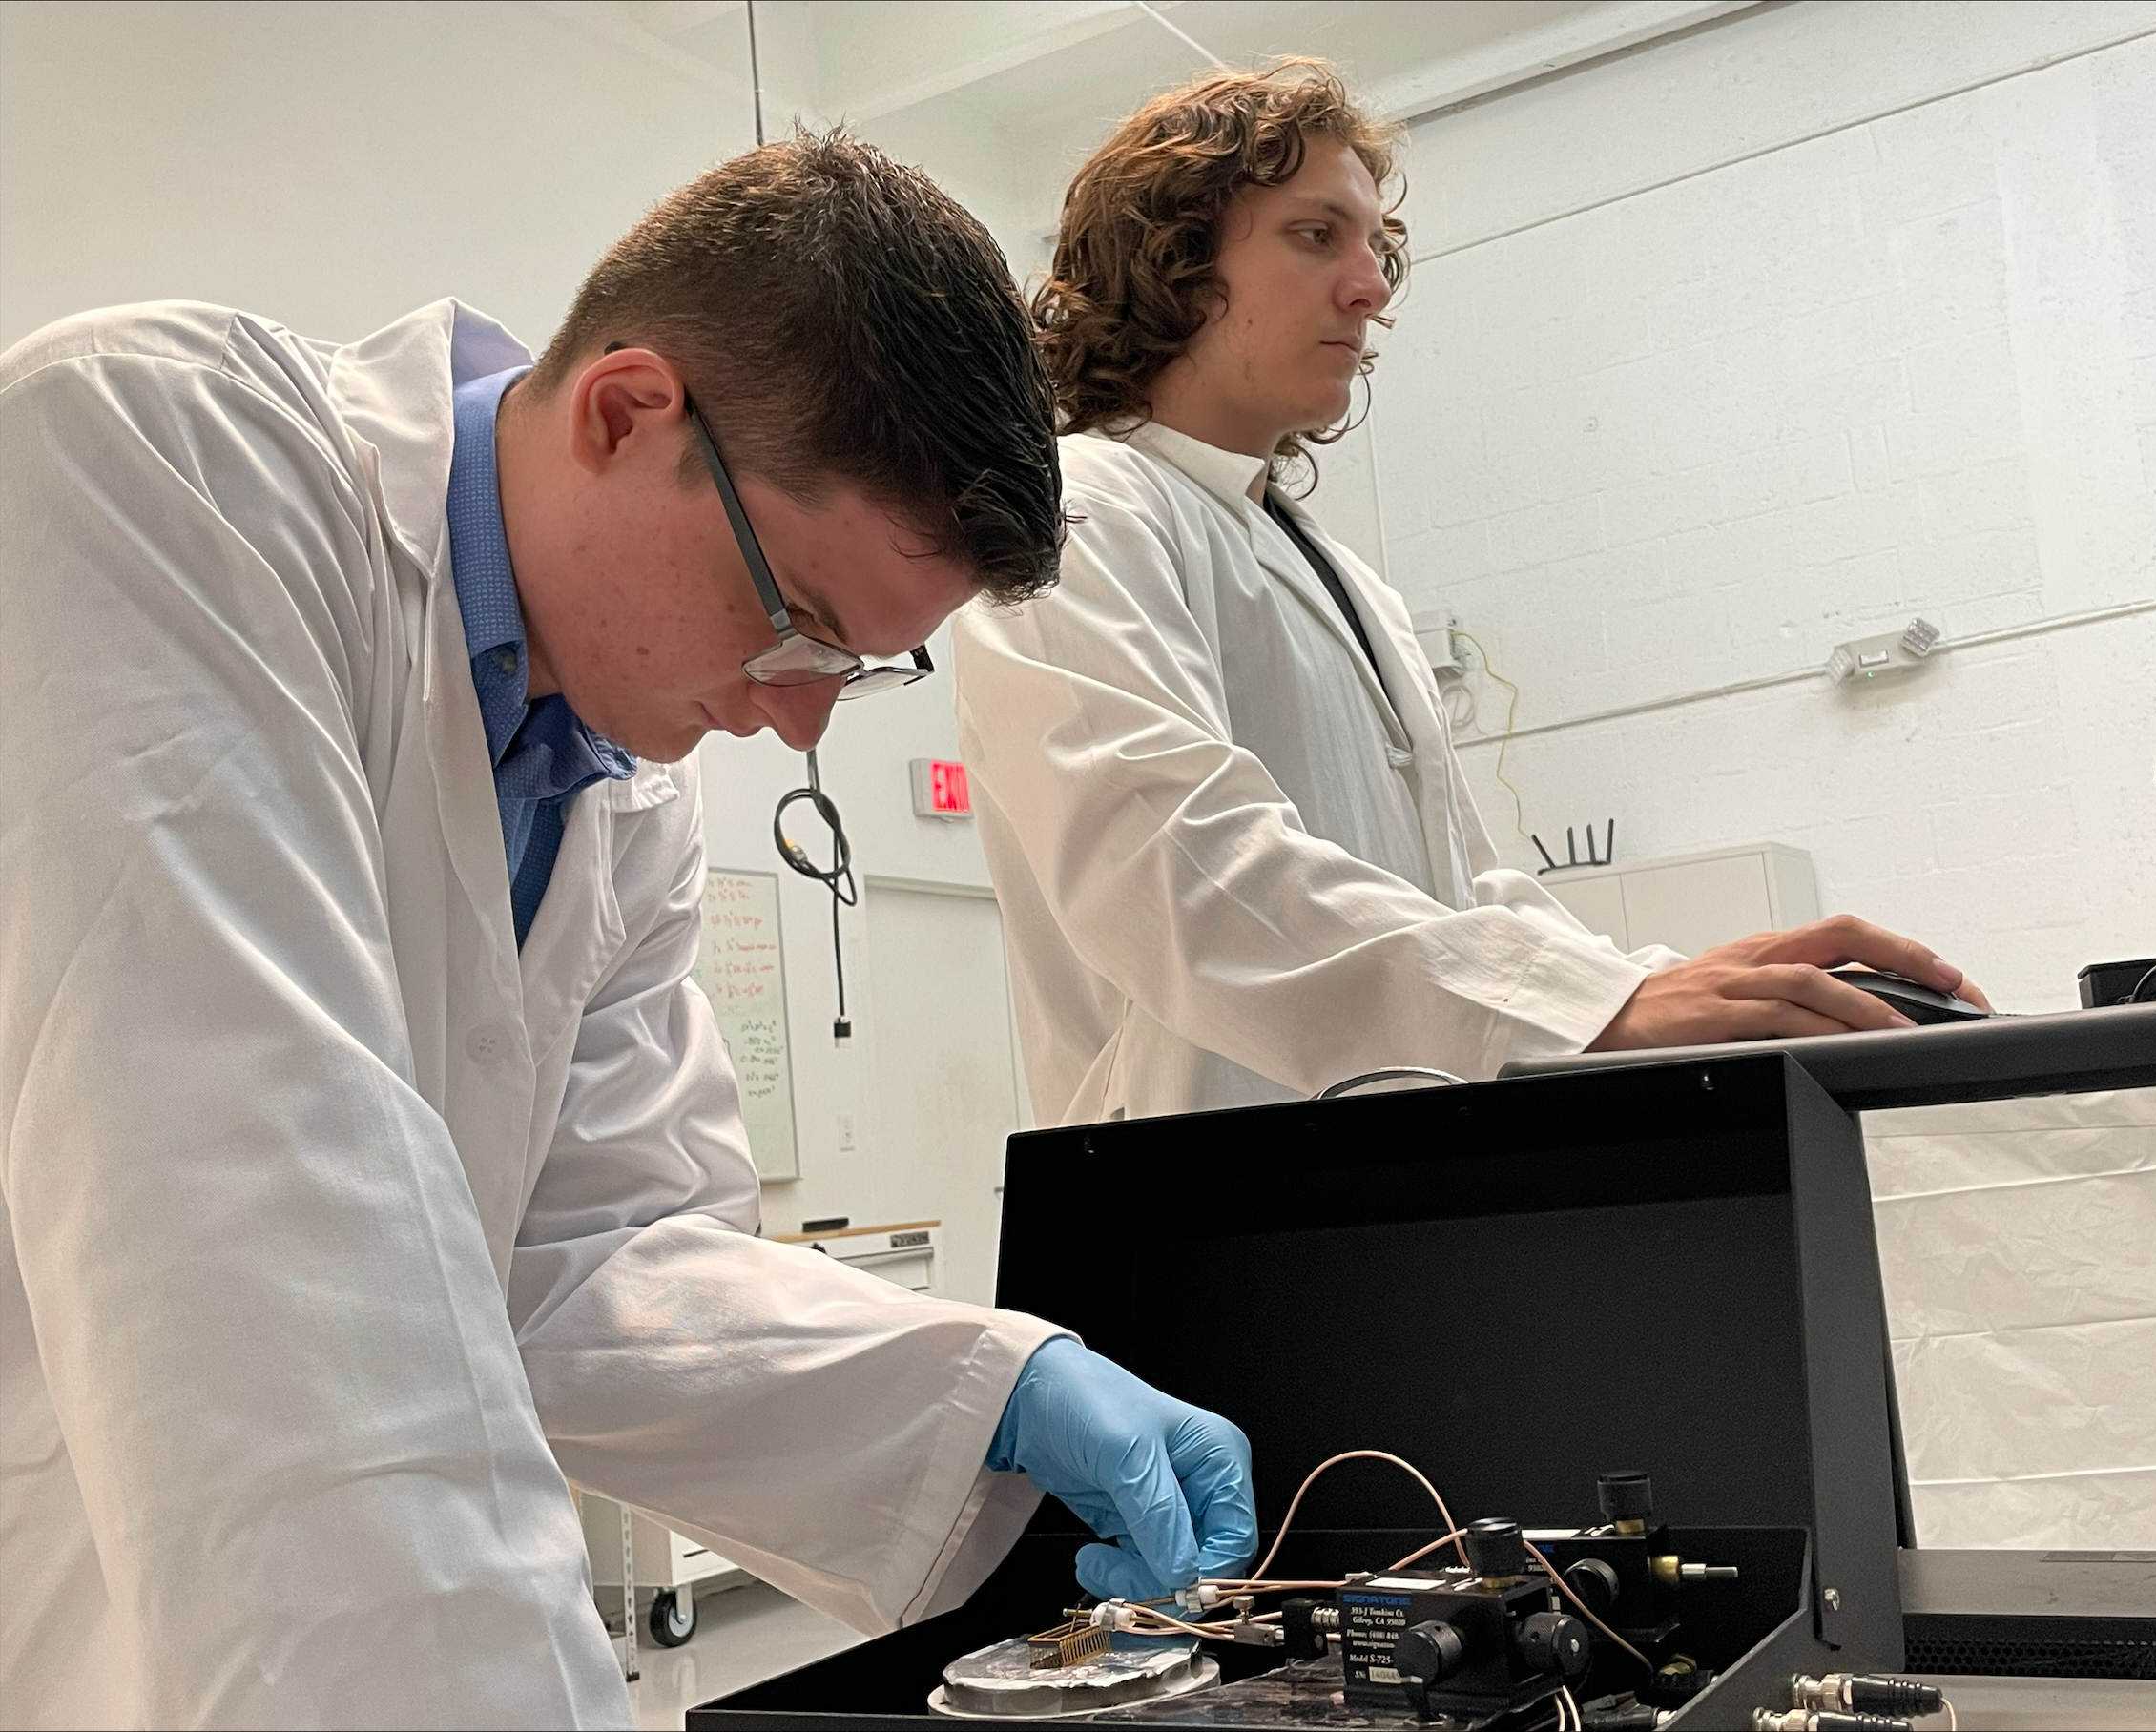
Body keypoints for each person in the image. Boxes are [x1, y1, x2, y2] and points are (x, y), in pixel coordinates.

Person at [0, 132, 1254, 1729]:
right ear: (623, 410)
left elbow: (588, 1262)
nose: (800, 723)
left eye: (857, 667)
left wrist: (986, 1383)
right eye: (795, 618)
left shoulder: (617, 778)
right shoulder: (168, 464)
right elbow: (252, 1215)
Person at [953, 64, 1988, 1127]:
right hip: (1198, 1220)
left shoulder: (1339, 577)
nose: (1370, 287)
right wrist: (1599, 1005)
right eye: (1315, 236)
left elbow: (1462, 896)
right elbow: (1186, 881)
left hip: (1398, 1189)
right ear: (1167, 261)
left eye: (1374, 247)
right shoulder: (1085, 509)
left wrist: (1686, 987)